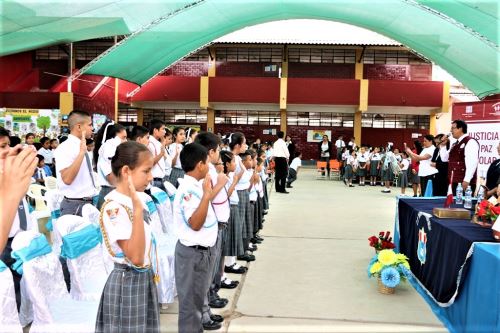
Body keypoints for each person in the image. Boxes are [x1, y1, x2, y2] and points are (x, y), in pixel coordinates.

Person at [95, 141, 160, 333]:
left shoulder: (136, 200)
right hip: (127, 282)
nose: (151, 177)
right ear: (126, 171)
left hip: (142, 278)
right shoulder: (114, 208)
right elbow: (136, 258)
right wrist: (138, 211)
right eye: (146, 171)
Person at [173, 143, 217, 333]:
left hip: (200, 253)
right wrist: (207, 196)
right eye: (207, 162)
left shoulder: (196, 186)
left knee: (196, 303)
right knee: (190, 307)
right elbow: (195, 224)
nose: (209, 166)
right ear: (200, 165)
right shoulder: (189, 191)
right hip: (193, 254)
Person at [0, 128, 38, 309]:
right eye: (2, 146)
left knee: (23, 286)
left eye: (8, 145)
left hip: (21, 238)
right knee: (10, 293)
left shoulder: (11, 173)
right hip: (6, 243)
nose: (8, 151)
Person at [195, 132, 229, 330]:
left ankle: (206, 311)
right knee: (206, 275)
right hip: (211, 226)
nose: (219, 154)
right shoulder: (205, 171)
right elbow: (206, 197)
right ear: (211, 151)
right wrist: (223, 183)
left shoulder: (212, 169)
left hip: (218, 225)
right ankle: (203, 315)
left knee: (211, 270)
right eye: (218, 150)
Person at [54, 110, 97, 216]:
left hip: (88, 202)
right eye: (90, 125)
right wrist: (81, 154)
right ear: (79, 127)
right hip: (75, 205)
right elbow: (67, 179)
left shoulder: (81, 145)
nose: (92, 128)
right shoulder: (65, 148)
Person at [220, 150, 246, 276]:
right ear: (227, 164)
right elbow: (226, 195)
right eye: (233, 161)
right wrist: (235, 182)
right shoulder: (224, 178)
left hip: (233, 206)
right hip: (229, 207)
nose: (235, 164)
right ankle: (227, 267)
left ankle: (231, 262)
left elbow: (242, 171)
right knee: (228, 241)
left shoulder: (230, 175)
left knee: (233, 237)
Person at [439, 120, 480, 193]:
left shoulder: (470, 142)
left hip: (463, 182)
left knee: (462, 203)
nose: (451, 131)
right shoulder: (455, 144)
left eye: (453, 128)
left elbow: (472, 163)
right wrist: (443, 145)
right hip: (453, 180)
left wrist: (467, 180)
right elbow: (444, 158)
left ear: (460, 128)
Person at [95, 122, 128, 209]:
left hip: (117, 191)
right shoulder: (108, 148)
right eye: (123, 138)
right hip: (109, 192)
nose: (126, 141)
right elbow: (112, 179)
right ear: (113, 138)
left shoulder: (116, 150)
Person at [147, 119, 168, 191]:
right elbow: (150, 163)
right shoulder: (149, 142)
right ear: (155, 130)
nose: (165, 131)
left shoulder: (158, 142)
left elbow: (163, 160)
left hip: (160, 179)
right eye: (163, 129)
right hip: (154, 179)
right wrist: (162, 154)